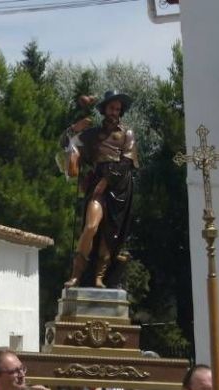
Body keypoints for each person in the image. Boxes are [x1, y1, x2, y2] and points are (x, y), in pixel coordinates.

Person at [61, 90, 138, 289]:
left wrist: (107, 180)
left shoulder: (127, 134)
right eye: (111, 108)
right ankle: (76, 275)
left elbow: (127, 161)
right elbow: (66, 144)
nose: (114, 112)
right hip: (97, 185)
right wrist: (73, 129)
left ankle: (99, 277)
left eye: (118, 109)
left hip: (120, 187)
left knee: (109, 235)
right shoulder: (92, 134)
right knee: (91, 226)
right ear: (104, 109)